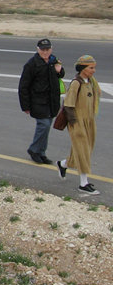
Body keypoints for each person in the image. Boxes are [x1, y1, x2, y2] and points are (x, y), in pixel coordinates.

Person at [56, 55, 101, 195]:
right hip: (77, 122)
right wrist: (75, 125)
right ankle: (83, 183)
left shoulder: (91, 82)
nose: (93, 70)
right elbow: (68, 105)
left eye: (94, 67)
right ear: (83, 68)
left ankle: (63, 164)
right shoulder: (76, 83)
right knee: (83, 151)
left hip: (89, 121)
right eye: (91, 68)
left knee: (84, 149)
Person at [18, 38, 65, 164]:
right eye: (42, 49)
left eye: (47, 49)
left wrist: (59, 71)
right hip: (38, 102)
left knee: (46, 127)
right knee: (43, 125)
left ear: (51, 49)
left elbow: (60, 75)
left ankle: (41, 153)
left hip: (51, 101)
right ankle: (34, 149)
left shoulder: (53, 60)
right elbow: (23, 86)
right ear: (38, 50)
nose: (45, 52)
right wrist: (25, 106)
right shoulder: (31, 64)